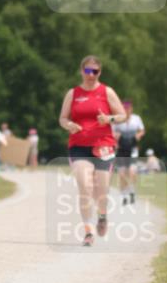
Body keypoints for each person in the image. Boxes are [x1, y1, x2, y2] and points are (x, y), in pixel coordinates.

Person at [58, 55, 127, 246]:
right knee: (85, 187)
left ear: (100, 72)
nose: (91, 75)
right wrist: (69, 125)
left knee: (101, 191)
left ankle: (102, 215)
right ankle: (88, 231)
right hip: (79, 146)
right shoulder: (73, 94)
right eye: (88, 71)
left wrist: (109, 119)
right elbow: (62, 118)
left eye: (95, 71)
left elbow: (122, 115)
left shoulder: (107, 92)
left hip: (104, 145)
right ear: (82, 71)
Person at [114, 100, 146, 204]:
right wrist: (115, 137)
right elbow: (112, 131)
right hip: (121, 149)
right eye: (124, 109)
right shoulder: (117, 119)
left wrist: (138, 135)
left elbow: (142, 130)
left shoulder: (136, 119)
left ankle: (132, 191)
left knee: (132, 171)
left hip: (132, 148)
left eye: (128, 109)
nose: (126, 111)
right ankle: (124, 195)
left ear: (131, 109)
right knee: (122, 173)